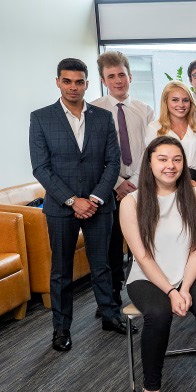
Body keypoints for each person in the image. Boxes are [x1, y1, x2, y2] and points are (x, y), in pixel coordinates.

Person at [120, 136, 196, 392]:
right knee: (158, 313)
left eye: (177, 160)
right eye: (163, 159)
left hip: (189, 271)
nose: (171, 165)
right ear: (149, 163)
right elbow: (142, 257)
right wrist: (171, 291)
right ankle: (151, 388)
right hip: (148, 277)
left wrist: (186, 287)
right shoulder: (131, 202)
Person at [30, 58, 129, 352]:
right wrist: (73, 201)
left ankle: (110, 315)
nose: (73, 87)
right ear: (58, 82)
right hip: (62, 208)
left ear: (87, 84)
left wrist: (95, 198)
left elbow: (113, 163)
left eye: (79, 82)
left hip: (100, 204)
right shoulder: (41, 118)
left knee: (103, 265)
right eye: (67, 81)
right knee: (61, 271)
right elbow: (41, 168)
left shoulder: (103, 117)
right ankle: (61, 328)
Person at [91, 51, 154, 316]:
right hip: (109, 188)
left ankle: (149, 294)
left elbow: (151, 150)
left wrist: (136, 181)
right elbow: (93, 153)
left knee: (145, 242)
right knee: (112, 247)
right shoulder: (94, 110)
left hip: (142, 186)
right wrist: (116, 183)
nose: (118, 81)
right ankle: (112, 298)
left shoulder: (145, 110)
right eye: (111, 76)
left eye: (121, 75)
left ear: (130, 76)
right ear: (103, 80)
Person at [144, 81, 196, 210]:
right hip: (164, 184)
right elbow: (150, 161)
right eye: (175, 100)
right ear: (165, 102)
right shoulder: (154, 128)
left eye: (185, 100)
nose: (181, 105)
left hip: (195, 184)